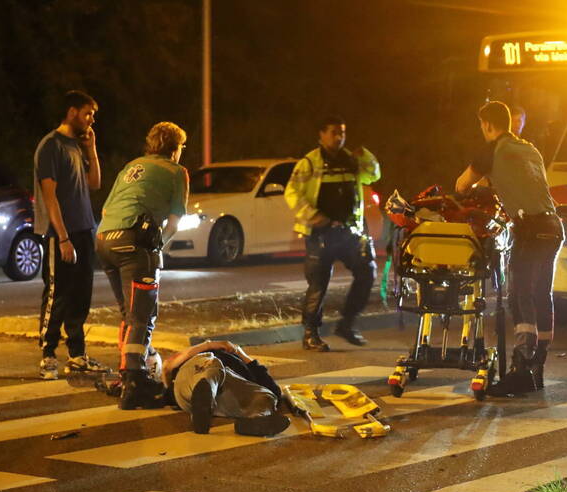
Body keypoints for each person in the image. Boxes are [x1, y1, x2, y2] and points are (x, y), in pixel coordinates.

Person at [456, 101, 564, 394]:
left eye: (482, 126)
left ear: (488, 125)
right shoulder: (530, 149)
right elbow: (528, 186)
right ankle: (537, 367)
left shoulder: (491, 150)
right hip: (553, 226)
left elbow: (462, 186)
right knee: (541, 294)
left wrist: (479, 189)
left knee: (518, 295)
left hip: (529, 229)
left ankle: (520, 367)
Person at [96, 122, 190, 409]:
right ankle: (134, 383)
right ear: (176, 149)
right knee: (142, 315)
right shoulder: (177, 172)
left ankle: (127, 374)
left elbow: (105, 208)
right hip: (134, 243)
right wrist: (157, 247)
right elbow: (174, 222)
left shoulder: (131, 166)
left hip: (104, 240)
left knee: (128, 313)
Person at [285, 115, 380, 352]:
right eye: (334, 133)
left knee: (367, 271)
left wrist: (365, 155)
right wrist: (312, 215)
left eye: (343, 133)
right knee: (318, 283)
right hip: (320, 233)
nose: (339, 137)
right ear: (321, 134)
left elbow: (374, 174)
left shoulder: (351, 160)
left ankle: (347, 324)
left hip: (349, 231)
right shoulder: (310, 163)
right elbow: (292, 193)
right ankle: (310, 334)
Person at [33, 90, 105, 380]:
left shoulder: (77, 146)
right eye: (88, 114)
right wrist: (62, 238)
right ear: (73, 112)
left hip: (84, 229)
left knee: (81, 294)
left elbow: (95, 183)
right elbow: (50, 197)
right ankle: (48, 355)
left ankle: (77, 354)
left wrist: (92, 150)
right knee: (57, 294)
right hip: (59, 234)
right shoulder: (50, 146)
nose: (91, 120)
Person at [162, 341, 290, 437]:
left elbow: (274, 390)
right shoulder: (204, 355)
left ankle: (254, 421)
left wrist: (239, 352)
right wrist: (207, 345)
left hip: (224, 396)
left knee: (268, 397)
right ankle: (207, 390)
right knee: (213, 365)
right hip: (196, 377)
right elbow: (167, 367)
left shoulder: (241, 366)